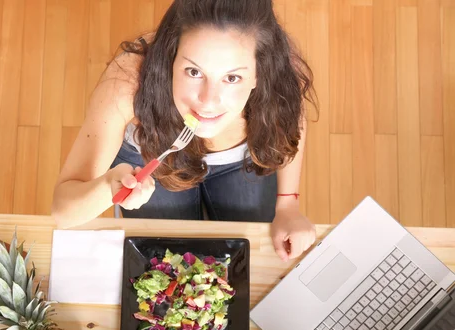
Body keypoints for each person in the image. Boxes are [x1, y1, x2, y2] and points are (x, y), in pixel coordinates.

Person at [51, 0, 318, 261]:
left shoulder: (282, 73)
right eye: (193, 71)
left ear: (261, 73)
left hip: (240, 162)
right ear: (170, 60)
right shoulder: (126, 82)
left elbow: (289, 119)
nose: (208, 101)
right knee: (165, 256)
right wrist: (108, 188)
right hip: (149, 156)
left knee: (248, 247)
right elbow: (64, 211)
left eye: (232, 77)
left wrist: (288, 204)